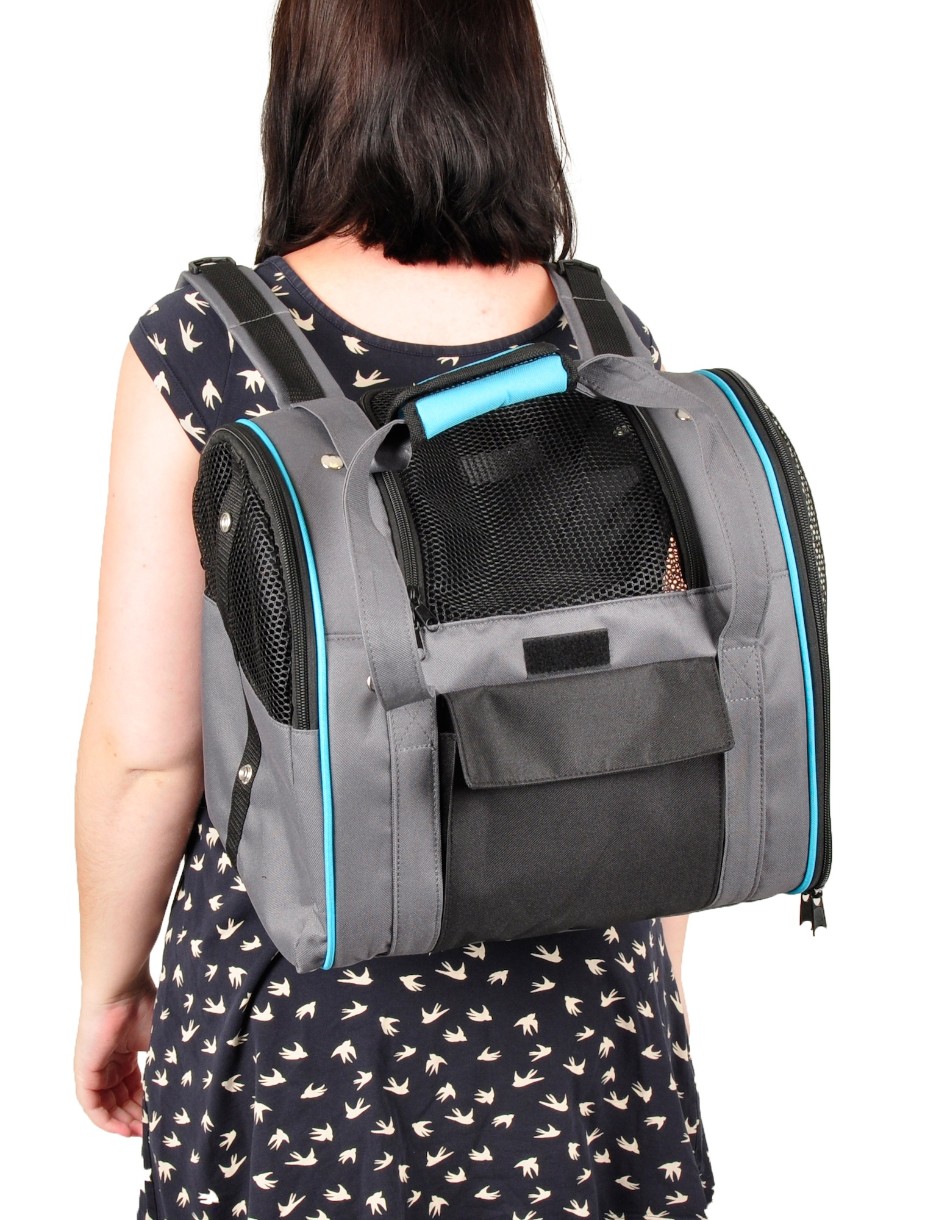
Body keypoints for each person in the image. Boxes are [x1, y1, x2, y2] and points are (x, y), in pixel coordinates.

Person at [74, 2, 714, 1216]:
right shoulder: (606, 341)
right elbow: (656, 708)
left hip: (308, 1014)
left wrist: (112, 983)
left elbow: (146, 752)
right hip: (584, 1007)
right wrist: (647, 984)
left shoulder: (206, 350)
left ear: (311, 86)